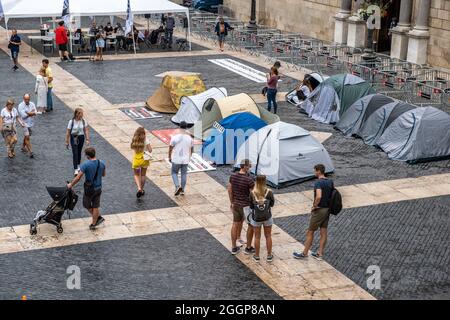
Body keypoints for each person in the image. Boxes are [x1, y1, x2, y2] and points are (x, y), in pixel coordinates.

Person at [293, 164, 334, 261]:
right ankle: (319, 254)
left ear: (319, 171)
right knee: (323, 232)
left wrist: (314, 206)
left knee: (310, 232)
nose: (314, 172)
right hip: (327, 209)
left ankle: (304, 253)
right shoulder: (330, 181)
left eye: (315, 171)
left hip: (319, 210)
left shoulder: (318, 183)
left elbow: (319, 196)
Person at [68, 147, 106, 230]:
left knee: (86, 204)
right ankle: (95, 221)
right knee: (95, 206)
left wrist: (71, 184)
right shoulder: (102, 163)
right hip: (98, 187)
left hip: (90, 189)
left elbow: (78, 178)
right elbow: (103, 174)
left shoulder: (86, 165)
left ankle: (96, 220)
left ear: (88, 156)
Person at [228, 159, 255, 255]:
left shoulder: (233, 176)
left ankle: (234, 247)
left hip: (236, 205)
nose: (250, 167)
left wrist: (232, 202)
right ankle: (248, 247)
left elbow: (230, 190)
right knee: (251, 226)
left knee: (235, 224)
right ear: (245, 166)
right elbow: (253, 194)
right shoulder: (249, 180)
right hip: (246, 206)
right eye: (250, 166)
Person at [249, 175, 275, 263]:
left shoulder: (253, 193)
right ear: (265, 181)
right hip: (267, 217)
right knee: (268, 236)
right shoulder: (269, 192)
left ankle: (256, 256)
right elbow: (272, 204)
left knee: (257, 237)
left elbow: (251, 206)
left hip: (256, 218)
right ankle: (269, 255)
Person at [168, 121, 193, 196]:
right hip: (185, 159)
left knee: (174, 173)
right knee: (184, 174)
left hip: (176, 159)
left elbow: (170, 148)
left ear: (179, 127)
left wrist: (169, 156)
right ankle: (182, 190)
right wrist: (189, 156)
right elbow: (191, 149)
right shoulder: (189, 138)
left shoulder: (175, 138)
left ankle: (177, 186)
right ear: (186, 128)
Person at [66, 108, 90, 176]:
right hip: (74, 137)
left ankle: (78, 165)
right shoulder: (71, 121)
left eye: (82, 114)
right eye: (80, 114)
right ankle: (75, 169)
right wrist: (67, 141)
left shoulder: (83, 121)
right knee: (75, 153)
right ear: (76, 114)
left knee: (79, 152)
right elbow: (68, 132)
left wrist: (87, 139)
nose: (82, 115)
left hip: (81, 137)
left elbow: (86, 130)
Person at [131, 127, 153, 198]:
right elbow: (150, 150)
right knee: (143, 175)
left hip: (137, 159)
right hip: (144, 159)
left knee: (136, 175)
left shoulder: (134, 139)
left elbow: (132, 147)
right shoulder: (146, 140)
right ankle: (142, 189)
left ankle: (139, 188)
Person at [18, 94, 37, 159]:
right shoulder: (20, 105)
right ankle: (31, 152)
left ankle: (23, 147)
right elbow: (23, 116)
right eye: (26, 99)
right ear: (23, 99)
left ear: (30, 98)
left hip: (31, 123)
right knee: (27, 137)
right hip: (24, 123)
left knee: (26, 137)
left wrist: (28, 113)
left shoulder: (32, 104)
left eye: (28, 99)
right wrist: (31, 113)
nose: (27, 100)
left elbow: (35, 112)